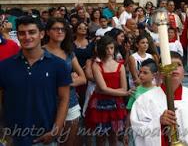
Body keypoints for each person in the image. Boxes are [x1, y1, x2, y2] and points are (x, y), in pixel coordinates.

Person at [0, 16, 71, 145]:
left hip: (45, 137)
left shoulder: (59, 65)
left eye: (32, 32)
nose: (27, 37)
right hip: (13, 138)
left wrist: (56, 129)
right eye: (22, 33)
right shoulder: (4, 66)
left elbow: (64, 98)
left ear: (42, 34)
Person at [130, 51, 188, 145]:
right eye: (169, 65)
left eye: (178, 64)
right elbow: (138, 130)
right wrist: (159, 122)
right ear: (160, 72)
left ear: (184, 72)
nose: (174, 68)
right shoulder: (144, 100)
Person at [43, 17, 87, 146]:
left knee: (69, 143)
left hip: (71, 102)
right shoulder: (40, 52)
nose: (60, 32)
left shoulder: (69, 52)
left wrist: (67, 81)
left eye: (63, 29)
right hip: (47, 104)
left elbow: (83, 78)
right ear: (47, 32)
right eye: (56, 29)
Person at [85, 35, 132, 146]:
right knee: (100, 138)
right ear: (102, 49)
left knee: (113, 137)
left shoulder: (120, 66)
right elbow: (102, 88)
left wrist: (121, 91)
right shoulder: (96, 65)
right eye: (106, 48)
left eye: (111, 48)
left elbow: (123, 87)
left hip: (115, 104)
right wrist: (124, 93)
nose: (109, 51)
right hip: (99, 104)